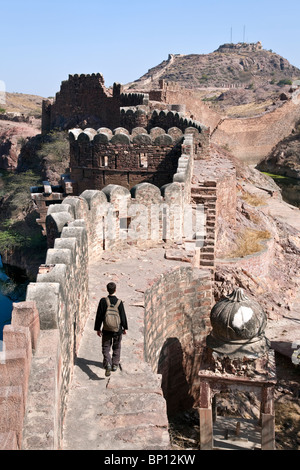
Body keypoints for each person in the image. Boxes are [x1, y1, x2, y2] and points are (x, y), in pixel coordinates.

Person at [94, 282, 128, 377]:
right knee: (117, 347)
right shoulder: (119, 302)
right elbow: (123, 316)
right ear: (115, 290)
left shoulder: (103, 301)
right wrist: (124, 328)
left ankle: (107, 363)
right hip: (117, 330)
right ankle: (115, 365)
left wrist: (98, 328)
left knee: (106, 348)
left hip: (106, 329)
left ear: (107, 290)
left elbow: (99, 316)